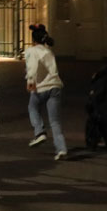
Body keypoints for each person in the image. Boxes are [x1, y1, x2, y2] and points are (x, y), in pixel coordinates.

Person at [25, 24, 68, 160]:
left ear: (33, 40)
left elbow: (32, 66)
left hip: (41, 87)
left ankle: (39, 132)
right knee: (55, 121)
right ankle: (61, 149)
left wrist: (30, 81)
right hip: (55, 86)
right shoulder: (48, 51)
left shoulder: (32, 51)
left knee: (32, 107)